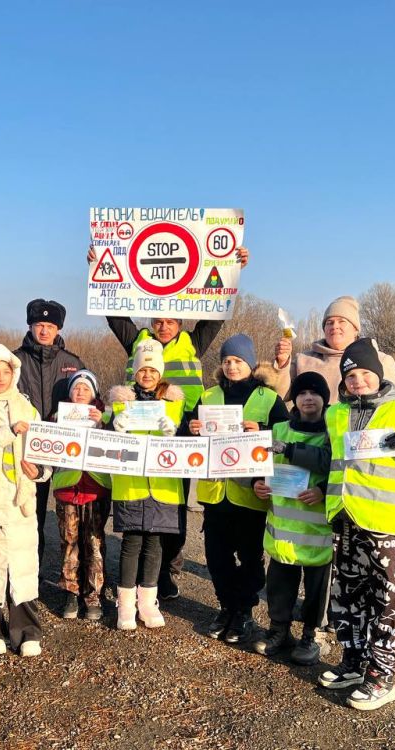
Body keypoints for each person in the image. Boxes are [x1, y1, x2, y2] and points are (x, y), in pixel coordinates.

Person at [88, 245, 250, 601]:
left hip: (181, 431)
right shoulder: (138, 341)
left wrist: (232, 270)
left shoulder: (193, 342)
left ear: (180, 323)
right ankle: (138, 580)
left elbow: (217, 312)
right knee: (139, 507)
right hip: (141, 433)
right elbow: (114, 313)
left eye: (170, 321)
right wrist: (101, 270)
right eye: (158, 320)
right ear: (151, 322)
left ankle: (166, 574)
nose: (163, 326)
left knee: (174, 508)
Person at [287, 338, 395, 710]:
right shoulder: (337, 414)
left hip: (382, 523)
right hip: (346, 520)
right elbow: (328, 459)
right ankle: (354, 662)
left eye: (364, 374)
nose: (357, 380)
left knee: (385, 599)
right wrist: (287, 450)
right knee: (348, 596)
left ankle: (382, 677)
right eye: (351, 375)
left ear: (378, 375)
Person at [186, 334, 288, 644]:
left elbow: (284, 441)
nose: (232, 366)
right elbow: (188, 440)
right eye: (227, 361)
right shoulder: (209, 396)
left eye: (238, 361)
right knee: (217, 557)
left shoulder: (268, 398)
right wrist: (192, 429)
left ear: (250, 363)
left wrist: (264, 431)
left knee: (249, 557)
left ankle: (243, 610)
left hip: (250, 494)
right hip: (216, 492)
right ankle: (225, 606)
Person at [0, 345, 51, 656]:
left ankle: (26, 629)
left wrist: (39, 470)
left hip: (19, 501)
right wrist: (7, 433)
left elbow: (46, 452)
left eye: (6, 372)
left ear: (14, 374)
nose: (0, 378)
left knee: (22, 562)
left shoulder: (27, 409)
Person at [250, 371, 332, 664]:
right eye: (301, 393)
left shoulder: (332, 431)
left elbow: (340, 470)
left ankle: (312, 635)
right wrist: (256, 484)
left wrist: (322, 490)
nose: (308, 398)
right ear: (294, 399)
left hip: (318, 531)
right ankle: (279, 630)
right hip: (282, 528)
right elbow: (259, 463)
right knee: (280, 585)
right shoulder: (279, 429)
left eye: (314, 393)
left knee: (316, 589)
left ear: (324, 399)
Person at [107, 340, 186, 631]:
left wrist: (173, 432)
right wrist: (116, 425)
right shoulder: (121, 399)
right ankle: (125, 604)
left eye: (153, 369)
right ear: (135, 372)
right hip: (132, 484)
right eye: (143, 369)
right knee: (131, 544)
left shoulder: (175, 401)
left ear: (160, 372)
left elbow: (186, 438)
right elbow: (108, 438)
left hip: (163, 484)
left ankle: (147, 601)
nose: (148, 374)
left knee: (154, 545)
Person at [12, 298, 86, 565]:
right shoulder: (14, 361)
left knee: (73, 519)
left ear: (59, 329)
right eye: (39, 324)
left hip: (66, 453)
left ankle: (73, 581)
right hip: (26, 452)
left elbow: (90, 401)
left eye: (50, 326)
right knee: (29, 517)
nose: (44, 331)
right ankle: (29, 576)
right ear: (31, 326)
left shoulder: (73, 364)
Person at [50, 369, 112, 621]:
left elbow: (121, 445)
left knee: (94, 544)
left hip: (96, 488)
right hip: (67, 489)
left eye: (86, 388)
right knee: (69, 543)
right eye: (76, 388)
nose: (80, 392)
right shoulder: (57, 416)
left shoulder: (106, 416)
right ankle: (70, 591)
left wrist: (103, 423)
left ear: (94, 393)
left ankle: (93, 594)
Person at [272, 295, 395, 404]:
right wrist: (283, 363)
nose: (334, 326)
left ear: (355, 329)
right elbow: (280, 396)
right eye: (329, 323)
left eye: (342, 321)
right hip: (310, 436)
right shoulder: (303, 360)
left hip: (360, 435)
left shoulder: (380, 360)